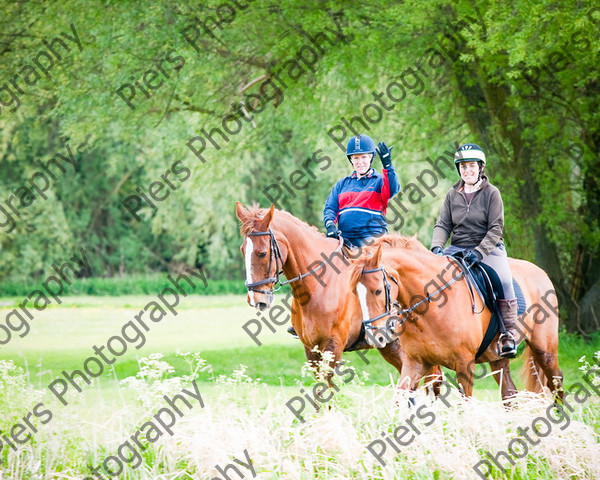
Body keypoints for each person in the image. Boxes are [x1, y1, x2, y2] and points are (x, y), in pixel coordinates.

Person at [430, 143, 517, 358]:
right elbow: (443, 225)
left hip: (488, 249)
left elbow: (496, 228)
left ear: (480, 167)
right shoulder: (452, 194)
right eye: (462, 166)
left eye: (471, 166)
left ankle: (508, 334)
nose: (467, 170)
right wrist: (436, 247)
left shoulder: (492, 193)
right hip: (458, 248)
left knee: (504, 281)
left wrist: (479, 252)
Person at [323, 134, 400, 248]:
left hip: (372, 236)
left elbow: (392, 189)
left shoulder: (379, 181)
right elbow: (331, 208)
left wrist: (388, 166)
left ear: (371, 158)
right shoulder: (342, 184)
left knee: (368, 262)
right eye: (356, 158)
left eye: (364, 157)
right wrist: (330, 226)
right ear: (351, 160)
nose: (360, 162)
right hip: (345, 237)